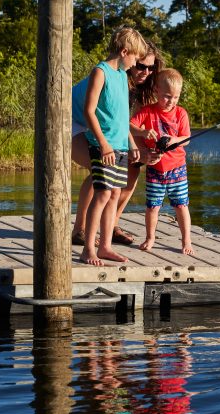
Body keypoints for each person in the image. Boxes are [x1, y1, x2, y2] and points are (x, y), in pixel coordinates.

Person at [70, 42, 164, 246]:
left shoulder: (135, 86)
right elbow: (99, 117)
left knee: (133, 167)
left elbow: (124, 124)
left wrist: (143, 152)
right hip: (72, 119)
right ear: (129, 57)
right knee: (101, 169)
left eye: (151, 68)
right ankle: (80, 230)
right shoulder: (112, 75)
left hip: (99, 126)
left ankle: (111, 225)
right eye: (141, 66)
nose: (146, 72)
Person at [131, 68, 194, 255]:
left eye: (175, 97)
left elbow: (187, 138)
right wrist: (142, 133)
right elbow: (130, 126)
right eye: (167, 96)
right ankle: (150, 238)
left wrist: (172, 140)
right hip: (155, 168)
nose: (171, 102)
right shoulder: (147, 112)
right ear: (157, 90)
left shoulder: (181, 113)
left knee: (181, 205)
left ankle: (187, 240)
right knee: (153, 206)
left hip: (177, 168)